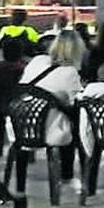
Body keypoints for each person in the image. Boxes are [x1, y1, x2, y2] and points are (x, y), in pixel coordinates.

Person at [20, 29, 86, 191]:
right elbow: (76, 102)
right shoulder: (70, 73)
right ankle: (68, 175)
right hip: (50, 131)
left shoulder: (36, 62)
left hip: (20, 124)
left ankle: (19, 184)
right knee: (77, 122)